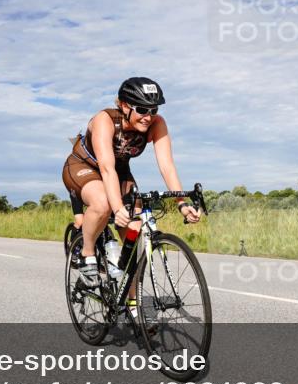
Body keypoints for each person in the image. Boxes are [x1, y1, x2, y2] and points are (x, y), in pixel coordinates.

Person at [62, 77, 200, 297]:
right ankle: (87, 253)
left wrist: (182, 204)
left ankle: (132, 304)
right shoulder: (104, 120)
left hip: (121, 171)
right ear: (124, 106)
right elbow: (107, 169)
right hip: (84, 166)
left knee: (134, 233)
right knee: (103, 203)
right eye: (142, 109)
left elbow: (167, 166)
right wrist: (117, 209)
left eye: (153, 110)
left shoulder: (157, 123)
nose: (148, 117)